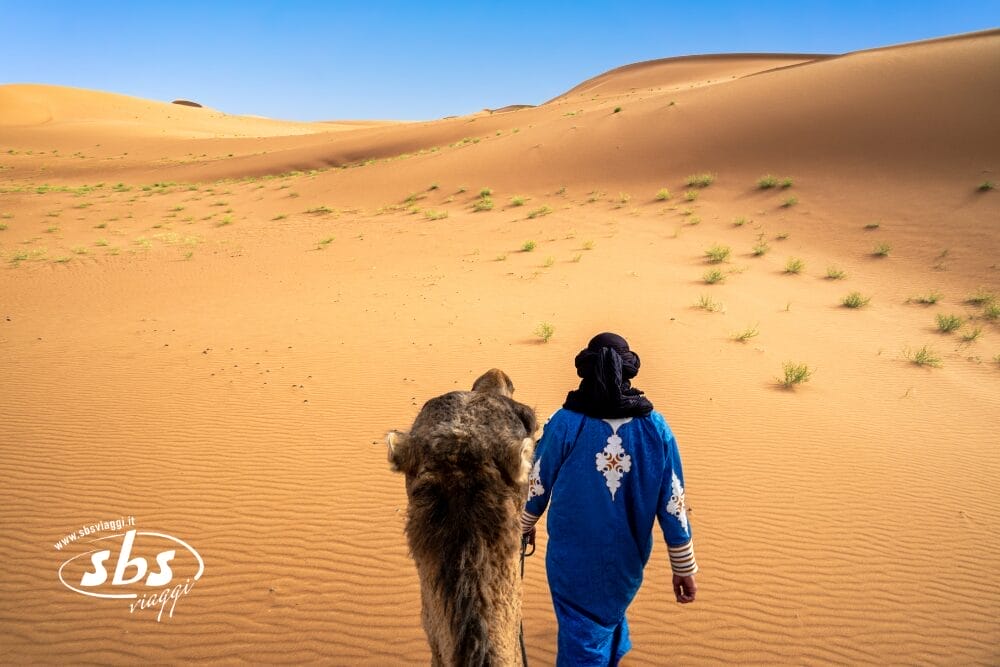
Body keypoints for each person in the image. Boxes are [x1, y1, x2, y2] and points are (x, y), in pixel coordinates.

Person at [521, 332, 698, 666]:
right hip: (627, 563)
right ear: (629, 372)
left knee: (583, 637)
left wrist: (523, 525)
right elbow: (673, 502)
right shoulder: (656, 428)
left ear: (585, 372)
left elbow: (536, 483)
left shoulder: (566, 423)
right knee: (607, 616)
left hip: (571, 564)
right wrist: (683, 567)